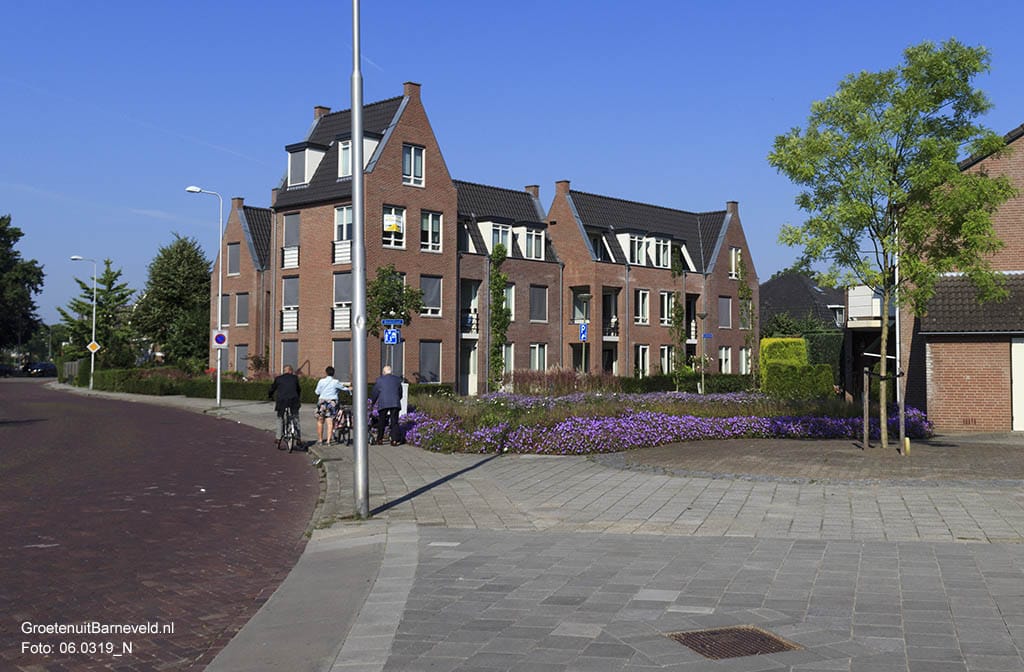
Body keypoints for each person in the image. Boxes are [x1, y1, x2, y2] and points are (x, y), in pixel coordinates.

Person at [314, 366, 349, 445]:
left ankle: (320, 440)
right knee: (330, 422)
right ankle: (328, 441)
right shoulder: (335, 382)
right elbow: (344, 388)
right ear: (334, 373)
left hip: (322, 401)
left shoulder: (321, 381)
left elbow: (317, 392)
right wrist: (350, 389)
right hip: (332, 403)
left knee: (320, 421)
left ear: (326, 372)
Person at [370, 364, 403, 445]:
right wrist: (398, 399)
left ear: (384, 372)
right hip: (395, 403)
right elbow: (400, 392)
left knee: (382, 421)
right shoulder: (397, 379)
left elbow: (375, 392)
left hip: (383, 403)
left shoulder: (379, 380)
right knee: (394, 421)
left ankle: (380, 439)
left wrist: (372, 402)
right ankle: (394, 440)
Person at [268, 365, 301, 443]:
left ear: (284, 371)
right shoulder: (295, 378)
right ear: (290, 371)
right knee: (295, 418)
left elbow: (272, 389)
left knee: (280, 418)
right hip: (293, 400)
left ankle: (278, 438)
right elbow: (298, 389)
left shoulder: (278, 379)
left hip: (281, 401)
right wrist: (298, 398)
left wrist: (270, 396)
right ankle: (298, 438)